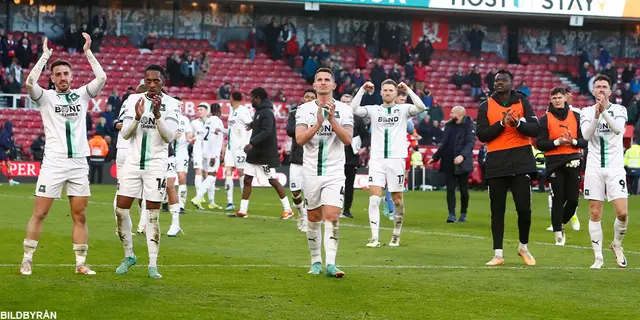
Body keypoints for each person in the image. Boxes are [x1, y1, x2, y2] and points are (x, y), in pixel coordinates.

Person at [21, 33, 106, 275]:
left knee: (80, 215)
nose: (62, 77)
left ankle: (80, 263)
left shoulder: (82, 94)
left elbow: (102, 77)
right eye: (57, 74)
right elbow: (29, 84)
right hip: (54, 162)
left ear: (72, 76)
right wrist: (45, 56)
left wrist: (88, 52)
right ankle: (27, 259)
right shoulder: (46, 97)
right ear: (52, 78)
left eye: (65, 74)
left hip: (79, 162)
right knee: (40, 212)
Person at [114, 65, 180, 279]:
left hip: (156, 166)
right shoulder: (133, 100)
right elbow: (124, 134)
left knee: (152, 215)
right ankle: (129, 255)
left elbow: (169, 137)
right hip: (132, 163)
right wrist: (135, 117)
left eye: (156, 81)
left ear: (163, 81)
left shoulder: (173, 104)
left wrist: (158, 115)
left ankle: (152, 264)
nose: (152, 85)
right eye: (148, 81)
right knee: (121, 210)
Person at [351, 79, 426, 248]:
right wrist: (362, 89)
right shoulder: (374, 110)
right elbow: (353, 109)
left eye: (391, 90)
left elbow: (421, 107)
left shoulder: (403, 109)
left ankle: (396, 234)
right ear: (381, 92)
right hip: (377, 159)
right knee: (374, 200)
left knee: (397, 200)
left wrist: (408, 89)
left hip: (396, 159)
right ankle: (375, 237)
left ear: (396, 93)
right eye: (384, 90)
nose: (387, 93)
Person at [476, 69, 539, 267]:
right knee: (497, 210)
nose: (499, 83)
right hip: (496, 162)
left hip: (521, 162)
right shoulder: (485, 106)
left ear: (511, 83)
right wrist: (501, 124)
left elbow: (535, 129)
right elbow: (482, 135)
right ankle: (498, 254)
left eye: (503, 80)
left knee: (524, 209)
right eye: (496, 80)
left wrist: (518, 123)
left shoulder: (523, 102)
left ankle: (523, 247)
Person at [295, 68, 353, 277]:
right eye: (319, 79)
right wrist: (319, 123)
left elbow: (348, 140)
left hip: (335, 172)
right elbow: (300, 140)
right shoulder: (303, 110)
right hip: (311, 172)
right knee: (313, 218)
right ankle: (315, 261)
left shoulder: (345, 110)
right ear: (313, 85)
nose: (322, 83)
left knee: (332, 216)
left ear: (334, 85)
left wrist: (332, 120)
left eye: (327, 79)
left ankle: (331, 264)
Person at [580, 75, 629, 269]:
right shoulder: (585, 111)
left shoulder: (619, 109)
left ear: (610, 91)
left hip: (615, 167)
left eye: (604, 87)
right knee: (594, 211)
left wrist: (604, 113)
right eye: (598, 86)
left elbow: (618, 129)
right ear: (593, 91)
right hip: (594, 167)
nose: (601, 89)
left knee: (622, 213)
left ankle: (617, 244)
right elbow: (585, 135)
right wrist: (596, 115)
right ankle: (598, 257)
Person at [228, 87, 293, 218]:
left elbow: (267, 131)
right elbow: (261, 126)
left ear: (258, 98)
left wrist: (252, 142)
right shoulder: (259, 112)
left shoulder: (267, 112)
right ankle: (242, 210)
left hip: (264, 154)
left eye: (252, 97)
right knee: (247, 179)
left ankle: (288, 209)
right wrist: (253, 124)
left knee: (272, 180)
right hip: (255, 154)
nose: (251, 100)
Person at [536, 87, 588, 246]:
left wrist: (573, 142)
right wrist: (557, 142)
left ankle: (562, 222)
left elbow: (585, 140)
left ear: (565, 98)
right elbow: (540, 143)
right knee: (558, 198)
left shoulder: (577, 116)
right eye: (554, 98)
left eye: (560, 97)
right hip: (554, 162)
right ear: (550, 100)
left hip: (573, 160)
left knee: (573, 200)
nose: (557, 100)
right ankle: (558, 233)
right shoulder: (545, 119)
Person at [428, 106, 476, 223]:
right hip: (448, 161)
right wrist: (435, 157)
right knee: (450, 189)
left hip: (463, 162)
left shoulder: (469, 126)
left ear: (459, 114)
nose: (449, 114)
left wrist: (462, 156)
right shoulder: (449, 126)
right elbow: (444, 144)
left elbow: (470, 143)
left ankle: (463, 213)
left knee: (464, 189)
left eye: (452, 112)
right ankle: (451, 214)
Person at [287, 89, 317, 231]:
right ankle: (301, 213)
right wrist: (308, 128)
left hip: (313, 157)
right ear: (303, 99)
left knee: (310, 192)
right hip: (297, 157)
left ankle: (306, 219)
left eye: (312, 97)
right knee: (295, 191)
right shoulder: (294, 113)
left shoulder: (321, 114)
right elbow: (290, 130)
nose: (309, 99)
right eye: (307, 97)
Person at [340, 93, 370, 219]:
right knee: (334, 184)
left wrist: (364, 147)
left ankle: (346, 210)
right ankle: (333, 207)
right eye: (343, 101)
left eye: (348, 102)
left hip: (351, 157)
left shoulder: (357, 119)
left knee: (349, 185)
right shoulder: (334, 117)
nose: (346, 104)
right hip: (335, 156)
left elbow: (366, 136)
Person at [191, 103, 225, 209]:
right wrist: (214, 156)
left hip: (206, 151)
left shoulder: (209, 120)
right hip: (212, 153)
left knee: (211, 176)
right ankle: (198, 197)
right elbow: (212, 138)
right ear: (219, 111)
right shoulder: (217, 121)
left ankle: (211, 202)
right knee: (211, 176)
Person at [223, 91, 254, 211]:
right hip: (231, 148)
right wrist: (221, 130)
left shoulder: (242, 111)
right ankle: (230, 202)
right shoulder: (232, 111)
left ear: (233, 98)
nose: (228, 100)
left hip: (240, 148)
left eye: (230, 98)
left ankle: (243, 201)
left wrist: (247, 143)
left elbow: (250, 126)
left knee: (241, 173)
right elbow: (232, 130)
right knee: (228, 171)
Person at [173, 97, 193, 214]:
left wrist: (190, 139)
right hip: (168, 153)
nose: (180, 107)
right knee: (167, 180)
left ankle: (181, 205)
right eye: (178, 105)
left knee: (181, 177)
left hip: (182, 153)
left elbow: (189, 135)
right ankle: (166, 201)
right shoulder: (167, 118)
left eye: (181, 105)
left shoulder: (185, 120)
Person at [190, 104, 211, 202]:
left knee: (208, 173)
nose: (199, 111)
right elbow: (189, 135)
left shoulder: (211, 122)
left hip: (208, 150)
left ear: (207, 111)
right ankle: (199, 196)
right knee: (198, 171)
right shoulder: (194, 123)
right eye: (198, 110)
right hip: (197, 149)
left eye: (201, 109)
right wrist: (192, 138)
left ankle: (211, 198)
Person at [0, 120, 19, 185]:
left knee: (8, 164)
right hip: (1, 151)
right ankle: (10, 180)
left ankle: (10, 180)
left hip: (4, 151)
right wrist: (7, 148)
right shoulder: (5, 133)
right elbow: (2, 142)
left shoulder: (6, 132)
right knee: (1, 165)